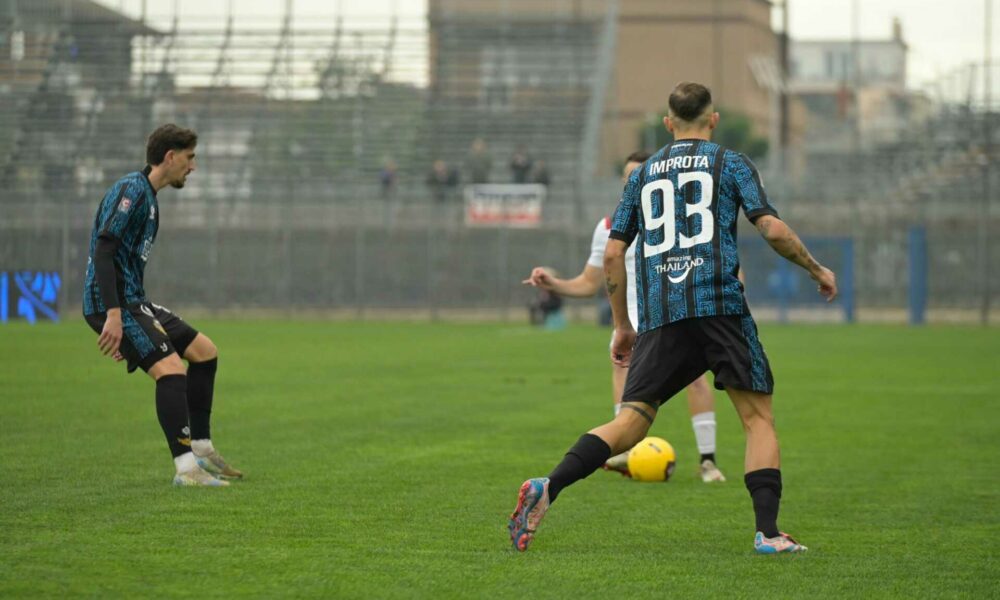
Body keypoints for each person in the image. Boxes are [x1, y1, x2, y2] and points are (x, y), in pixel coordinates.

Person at [508, 82, 837, 554]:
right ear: (713, 119)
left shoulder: (641, 177)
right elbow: (770, 227)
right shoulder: (732, 163)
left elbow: (614, 253)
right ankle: (768, 533)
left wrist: (622, 324)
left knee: (631, 423)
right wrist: (815, 268)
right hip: (719, 305)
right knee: (757, 417)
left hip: (663, 312)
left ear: (668, 123)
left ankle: (549, 485)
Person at [523, 151, 726, 483]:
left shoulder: (679, 221)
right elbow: (590, 282)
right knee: (622, 368)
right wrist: (554, 283)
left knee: (696, 377)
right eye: (629, 175)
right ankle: (625, 454)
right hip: (629, 322)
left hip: (671, 313)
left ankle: (708, 461)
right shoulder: (607, 227)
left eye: (641, 174)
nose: (635, 180)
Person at [82, 124, 243, 487]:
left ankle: (201, 448)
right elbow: (104, 248)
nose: (193, 167)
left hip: (134, 302)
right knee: (171, 371)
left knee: (204, 351)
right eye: (189, 158)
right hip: (114, 304)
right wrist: (114, 317)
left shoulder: (149, 197)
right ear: (169, 157)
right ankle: (186, 471)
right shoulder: (132, 190)